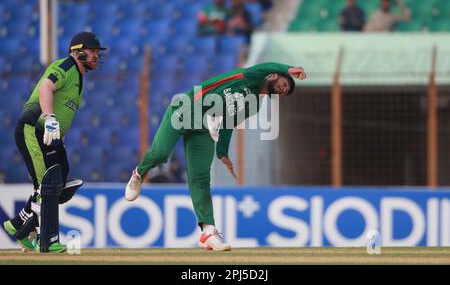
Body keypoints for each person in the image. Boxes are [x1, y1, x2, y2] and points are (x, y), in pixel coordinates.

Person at [125, 62, 307, 251]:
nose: (284, 90)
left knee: (201, 178)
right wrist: (288, 68)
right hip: (187, 107)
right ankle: (139, 173)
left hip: (204, 126)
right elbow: (265, 66)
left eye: (285, 92)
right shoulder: (249, 76)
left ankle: (208, 233)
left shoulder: (254, 106)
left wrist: (223, 153)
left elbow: (229, 123)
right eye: (285, 84)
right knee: (161, 153)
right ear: (273, 76)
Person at [2, 32, 107, 253]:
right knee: (47, 185)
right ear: (78, 51)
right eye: (93, 51)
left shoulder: (79, 78)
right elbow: (45, 88)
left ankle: (18, 225)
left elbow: (64, 112)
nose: (96, 55)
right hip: (33, 128)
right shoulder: (67, 66)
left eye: (98, 52)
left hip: (50, 135)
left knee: (59, 180)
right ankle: (45, 241)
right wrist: (49, 118)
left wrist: (59, 136)